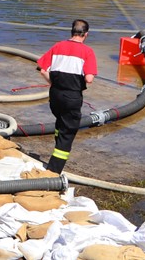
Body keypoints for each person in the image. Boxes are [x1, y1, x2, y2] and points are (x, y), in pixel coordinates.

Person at [37, 19, 97, 174]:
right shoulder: (87, 51)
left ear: (71, 32)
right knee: (68, 133)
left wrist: (54, 83)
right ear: (86, 34)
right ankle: (53, 171)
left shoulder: (57, 46)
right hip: (72, 97)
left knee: (60, 122)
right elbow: (89, 78)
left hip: (55, 95)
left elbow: (42, 69)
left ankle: (58, 145)